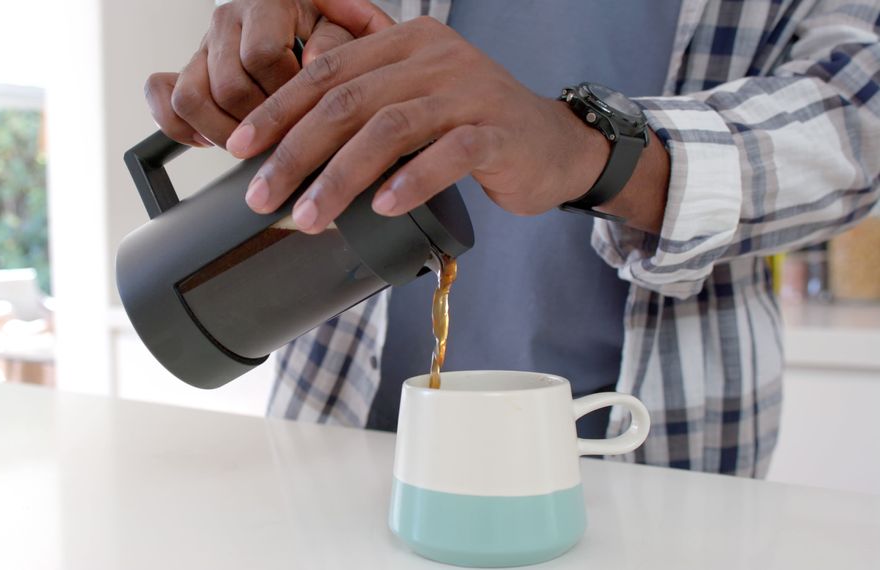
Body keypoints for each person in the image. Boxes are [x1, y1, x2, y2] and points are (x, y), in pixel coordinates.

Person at [145, 0, 880, 477]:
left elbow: (858, 115)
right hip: (340, 435)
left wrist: (594, 148)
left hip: (658, 457)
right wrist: (280, 35)